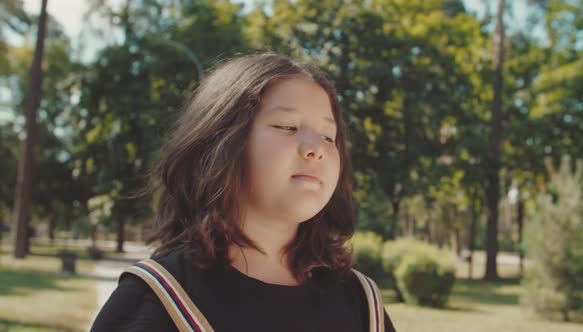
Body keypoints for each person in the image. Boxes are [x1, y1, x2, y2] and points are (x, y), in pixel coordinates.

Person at [90, 53, 396, 332]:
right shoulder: (158, 299)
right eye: (287, 127)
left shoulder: (363, 304)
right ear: (220, 144)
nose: (316, 148)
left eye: (329, 136)